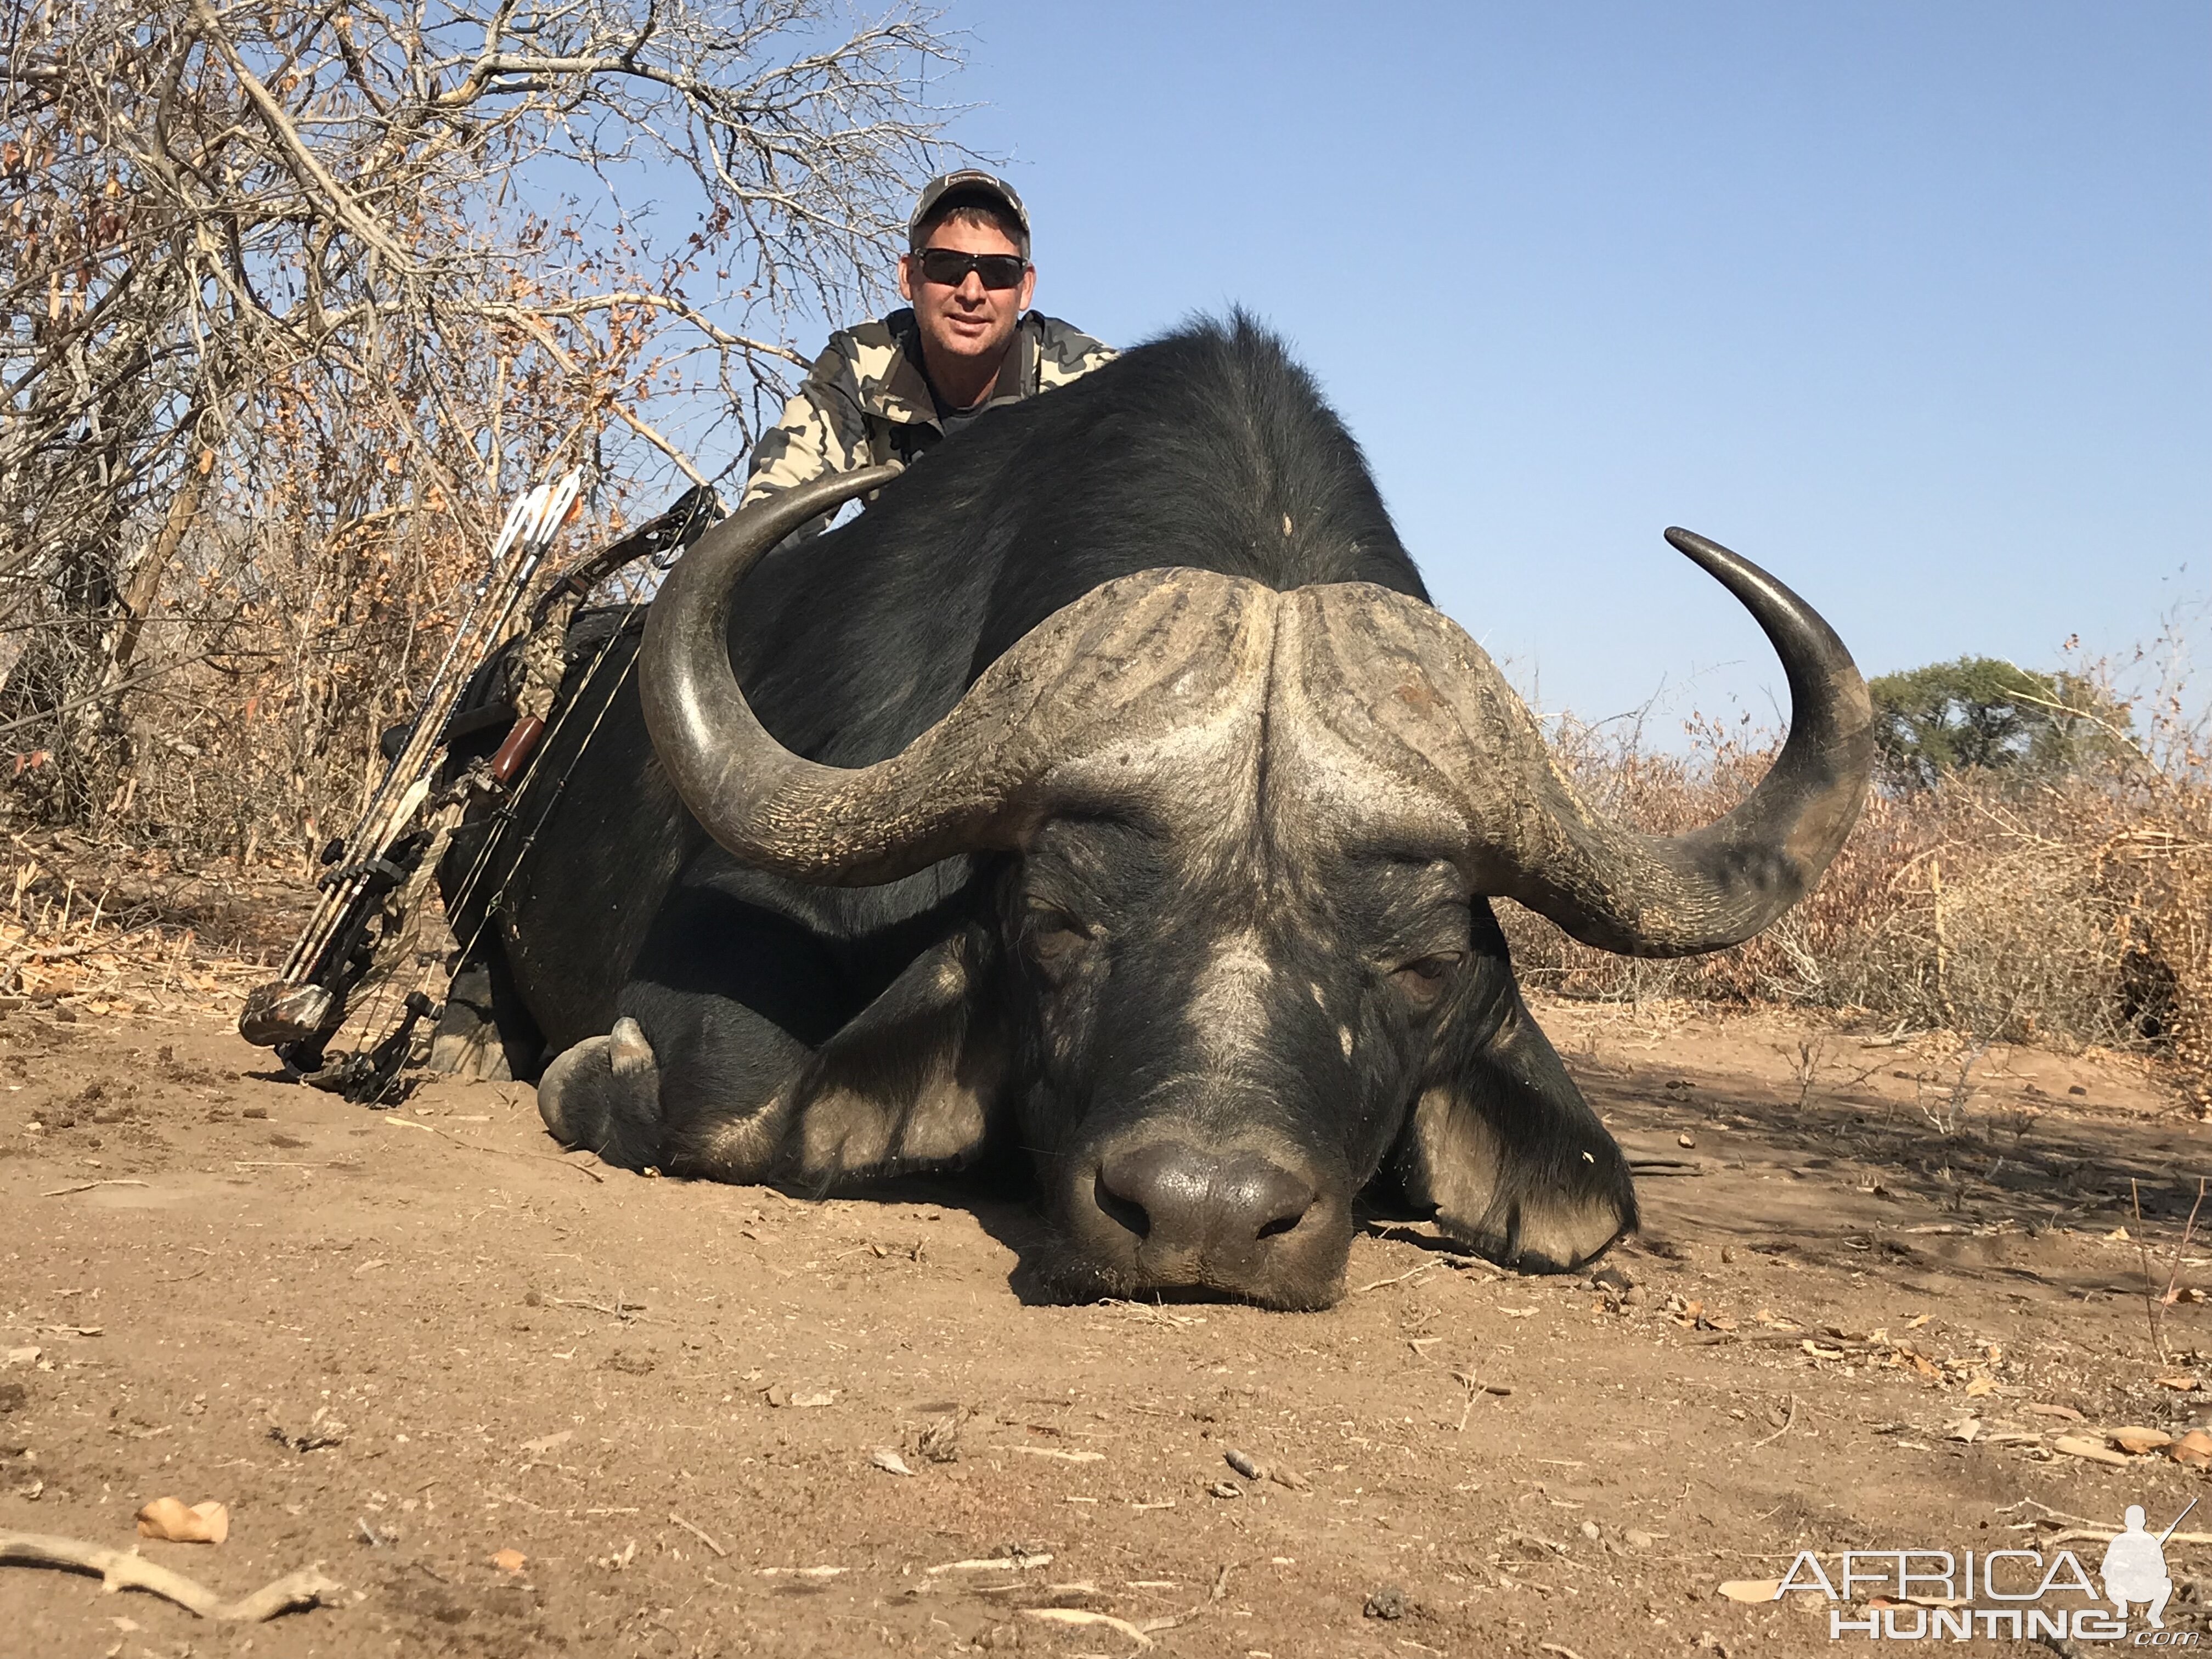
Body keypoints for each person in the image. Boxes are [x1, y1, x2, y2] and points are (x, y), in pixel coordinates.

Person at [739, 171, 1113, 537]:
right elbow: (769, 522)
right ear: (908, 276)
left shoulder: (1091, 383)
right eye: (946, 265)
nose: (971, 292)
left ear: (1025, 287)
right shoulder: (860, 365)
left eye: (998, 271)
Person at [2100, 1505, 2172, 1628]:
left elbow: (2162, 1570)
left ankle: (2154, 1615)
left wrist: (2147, 1570)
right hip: (2122, 1588)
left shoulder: (2151, 1542)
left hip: (2143, 1587)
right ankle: (2122, 1607)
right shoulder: (2119, 1541)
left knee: (2166, 1584)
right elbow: (2106, 1569)